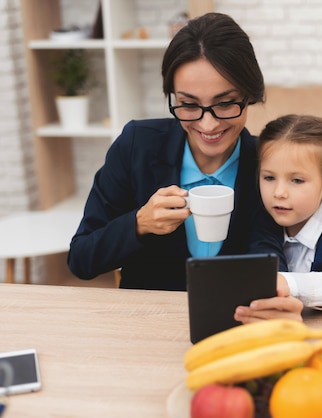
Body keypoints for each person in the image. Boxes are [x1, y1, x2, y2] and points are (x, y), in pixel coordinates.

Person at [67, 13, 303, 321]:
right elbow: (82, 259)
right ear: (173, 97)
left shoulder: (266, 162)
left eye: (225, 103)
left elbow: (271, 255)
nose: (208, 124)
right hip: (143, 325)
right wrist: (139, 223)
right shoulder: (137, 145)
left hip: (235, 327)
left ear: (251, 95)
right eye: (189, 105)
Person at [241, 114, 322, 313]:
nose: (279, 193)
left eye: (296, 180)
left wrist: (286, 282)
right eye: (269, 177)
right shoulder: (258, 227)